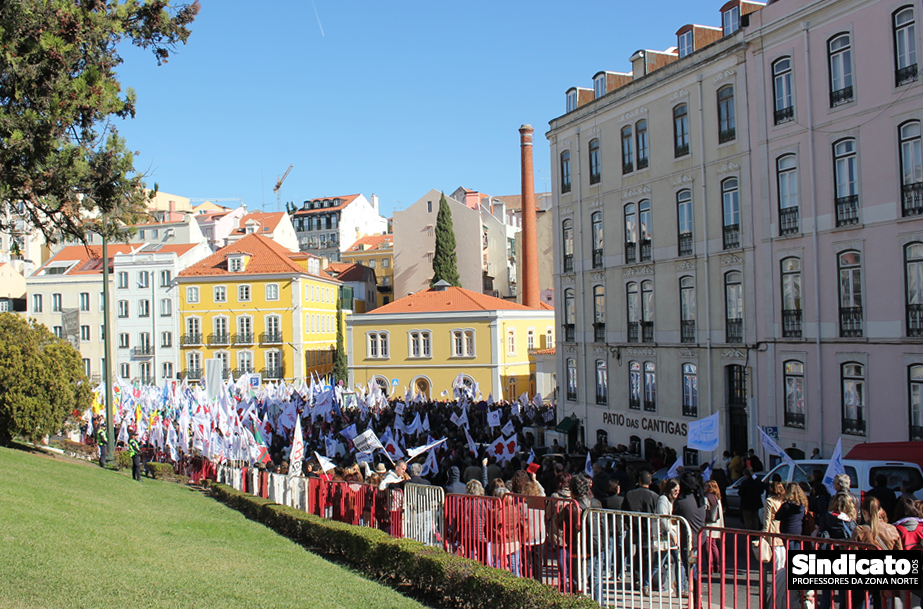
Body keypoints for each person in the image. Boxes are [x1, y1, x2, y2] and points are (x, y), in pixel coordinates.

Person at [652, 479, 683, 597]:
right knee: (658, 562)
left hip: (669, 536)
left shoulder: (670, 500)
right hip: (665, 536)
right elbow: (664, 520)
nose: (677, 493)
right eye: (675, 490)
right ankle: (646, 584)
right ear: (669, 489)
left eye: (678, 491)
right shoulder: (663, 500)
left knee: (677, 561)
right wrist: (673, 534)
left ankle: (679, 588)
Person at [703, 480, 724, 574]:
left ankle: (710, 565)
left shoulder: (706, 497)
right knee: (714, 544)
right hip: (716, 524)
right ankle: (717, 565)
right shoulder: (717, 497)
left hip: (708, 524)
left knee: (707, 545)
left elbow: (704, 509)